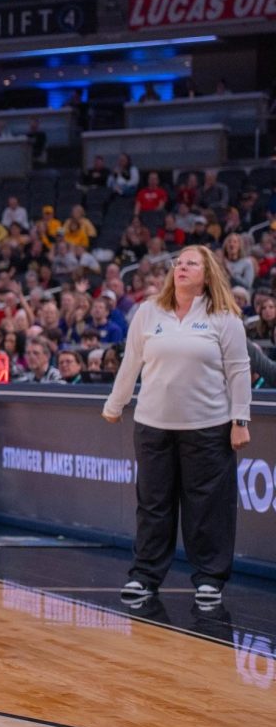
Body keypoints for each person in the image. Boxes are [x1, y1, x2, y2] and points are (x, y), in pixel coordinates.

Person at [102, 246, 250, 606]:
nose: (181, 267)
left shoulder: (224, 316)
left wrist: (240, 420)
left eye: (191, 263)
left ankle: (209, 580)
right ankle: (145, 576)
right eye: (178, 263)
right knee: (153, 504)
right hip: (153, 425)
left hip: (209, 427)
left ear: (207, 272)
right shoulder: (149, 310)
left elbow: (239, 370)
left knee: (207, 507)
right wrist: (114, 403)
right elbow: (132, 361)